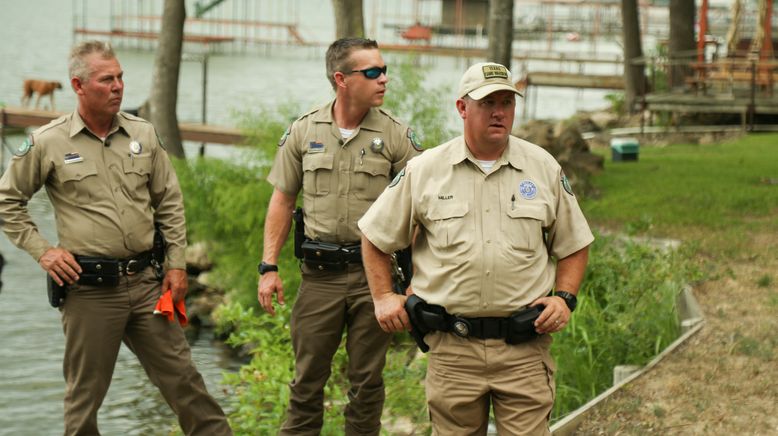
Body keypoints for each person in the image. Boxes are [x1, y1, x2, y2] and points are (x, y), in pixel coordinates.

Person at [0, 40, 232, 436]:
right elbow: (8, 202)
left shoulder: (142, 133)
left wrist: (176, 265)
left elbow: (169, 203)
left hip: (146, 285)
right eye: (107, 79)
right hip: (88, 291)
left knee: (188, 386)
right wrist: (44, 252)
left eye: (120, 77)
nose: (118, 86)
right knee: (84, 401)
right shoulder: (48, 141)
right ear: (78, 85)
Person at [359, 62, 594, 435]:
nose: (499, 112)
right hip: (454, 351)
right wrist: (384, 296)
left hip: (523, 350)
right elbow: (375, 236)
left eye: (507, 102)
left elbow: (574, 243)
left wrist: (564, 298)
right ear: (462, 108)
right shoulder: (426, 170)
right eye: (487, 103)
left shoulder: (542, 167)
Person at [257, 37, 422, 435]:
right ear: (341, 79)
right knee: (306, 381)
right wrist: (269, 266)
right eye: (373, 72)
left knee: (367, 384)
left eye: (384, 70)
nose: (384, 78)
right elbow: (282, 199)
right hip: (319, 277)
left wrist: (417, 281)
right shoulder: (303, 131)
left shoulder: (398, 136)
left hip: (376, 280)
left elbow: (419, 214)